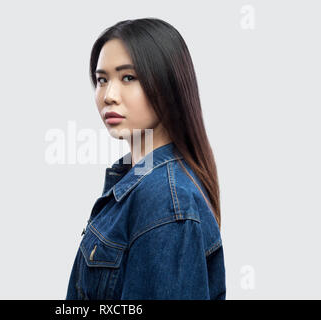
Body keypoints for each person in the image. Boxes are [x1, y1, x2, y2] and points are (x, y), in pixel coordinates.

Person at [66, 18, 226, 300]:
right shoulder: (138, 181)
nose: (108, 96)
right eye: (102, 79)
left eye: (128, 77)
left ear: (168, 85)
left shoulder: (164, 197)